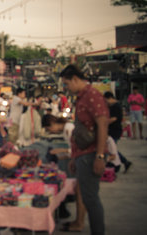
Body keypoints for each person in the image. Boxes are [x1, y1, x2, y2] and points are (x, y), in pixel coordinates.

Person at [60, 64, 108, 235]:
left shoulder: (92, 96)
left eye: (67, 84)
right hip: (82, 154)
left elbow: (102, 124)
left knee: (90, 199)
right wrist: (74, 157)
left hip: (91, 153)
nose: (66, 88)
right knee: (87, 197)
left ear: (75, 79)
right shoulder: (81, 97)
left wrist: (100, 156)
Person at [104, 91, 132, 173]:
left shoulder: (116, 106)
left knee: (112, 149)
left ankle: (122, 163)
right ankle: (125, 162)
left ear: (110, 98)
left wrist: (104, 123)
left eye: (106, 100)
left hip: (115, 130)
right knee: (113, 149)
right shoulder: (113, 106)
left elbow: (114, 118)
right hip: (113, 130)